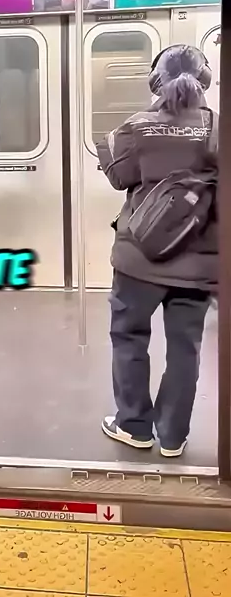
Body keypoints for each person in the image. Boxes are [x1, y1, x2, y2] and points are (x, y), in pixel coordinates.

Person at [97, 44, 218, 458]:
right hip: (199, 265)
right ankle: (172, 435)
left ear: (155, 81)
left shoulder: (138, 126)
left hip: (139, 261)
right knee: (186, 347)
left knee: (129, 337)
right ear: (205, 80)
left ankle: (133, 426)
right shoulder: (219, 129)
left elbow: (118, 176)